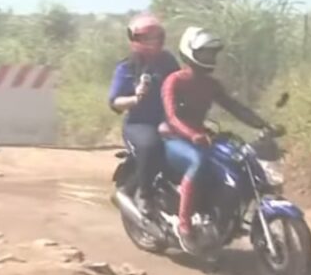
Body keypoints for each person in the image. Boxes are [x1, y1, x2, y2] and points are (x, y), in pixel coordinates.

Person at [160, 26, 273, 255]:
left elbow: (235, 108)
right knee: (199, 162)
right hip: (174, 138)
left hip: (200, 136)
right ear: (189, 52)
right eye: (204, 54)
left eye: (212, 54)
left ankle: (223, 215)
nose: (209, 59)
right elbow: (172, 116)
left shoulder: (211, 85)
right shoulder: (174, 81)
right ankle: (184, 224)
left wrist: (263, 124)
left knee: (235, 160)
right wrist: (192, 134)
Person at [108, 13, 180, 217]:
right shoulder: (126, 67)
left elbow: (180, 84)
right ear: (135, 40)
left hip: (169, 120)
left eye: (156, 37)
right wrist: (135, 98)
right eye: (147, 38)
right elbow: (115, 102)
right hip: (139, 123)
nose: (153, 42)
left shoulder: (168, 61)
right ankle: (144, 195)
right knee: (152, 146)